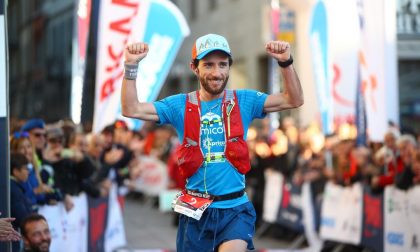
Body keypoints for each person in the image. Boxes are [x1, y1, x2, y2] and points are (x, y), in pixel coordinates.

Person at [121, 33, 303, 251]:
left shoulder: (244, 100)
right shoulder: (179, 105)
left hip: (235, 210)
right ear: (194, 68)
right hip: (195, 211)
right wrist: (131, 67)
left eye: (222, 65)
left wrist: (285, 61)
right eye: (208, 65)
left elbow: (294, 99)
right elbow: (131, 109)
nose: (217, 73)